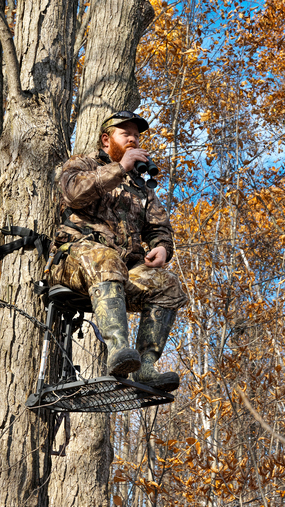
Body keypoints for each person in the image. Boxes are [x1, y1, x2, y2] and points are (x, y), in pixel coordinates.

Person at [48, 111, 187, 392]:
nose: (134, 139)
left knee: (168, 284)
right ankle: (118, 353)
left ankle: (145, 369)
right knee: (106, 258)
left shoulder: (141, 187)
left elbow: (160, 228)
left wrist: (161, 248)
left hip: (121, 270)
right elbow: (73, 194)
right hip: (75, 260)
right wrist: (119, 168)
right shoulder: (82, 164)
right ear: (106, 140)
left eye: (137, 135)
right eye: (126, 134)